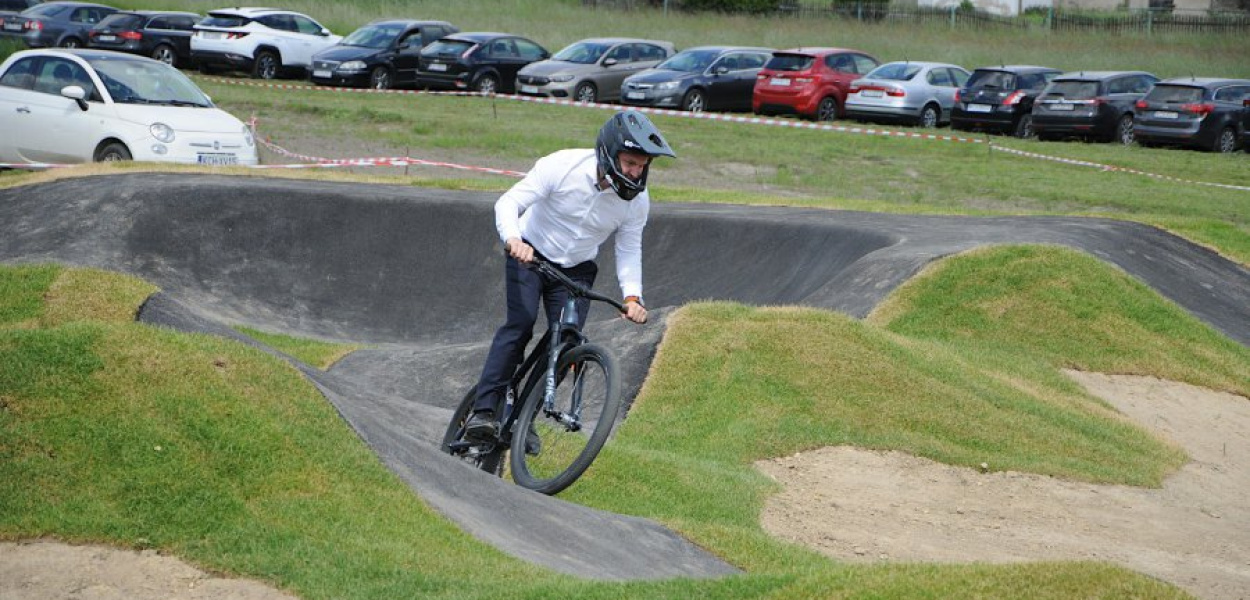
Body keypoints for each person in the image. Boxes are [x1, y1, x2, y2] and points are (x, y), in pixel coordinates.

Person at [465, 110, 676, 441]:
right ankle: (484, 410)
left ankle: (523, 422)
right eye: (630, 163)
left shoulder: (637, 202)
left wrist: (633, 296)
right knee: (520, 325)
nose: (636, 173)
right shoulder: (563, 166)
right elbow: (509, 202)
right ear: (609, 153)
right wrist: (513, 239)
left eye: (642, 165)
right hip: (531, 254)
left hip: (576, 269)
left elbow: (629, 248)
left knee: (564, 344)